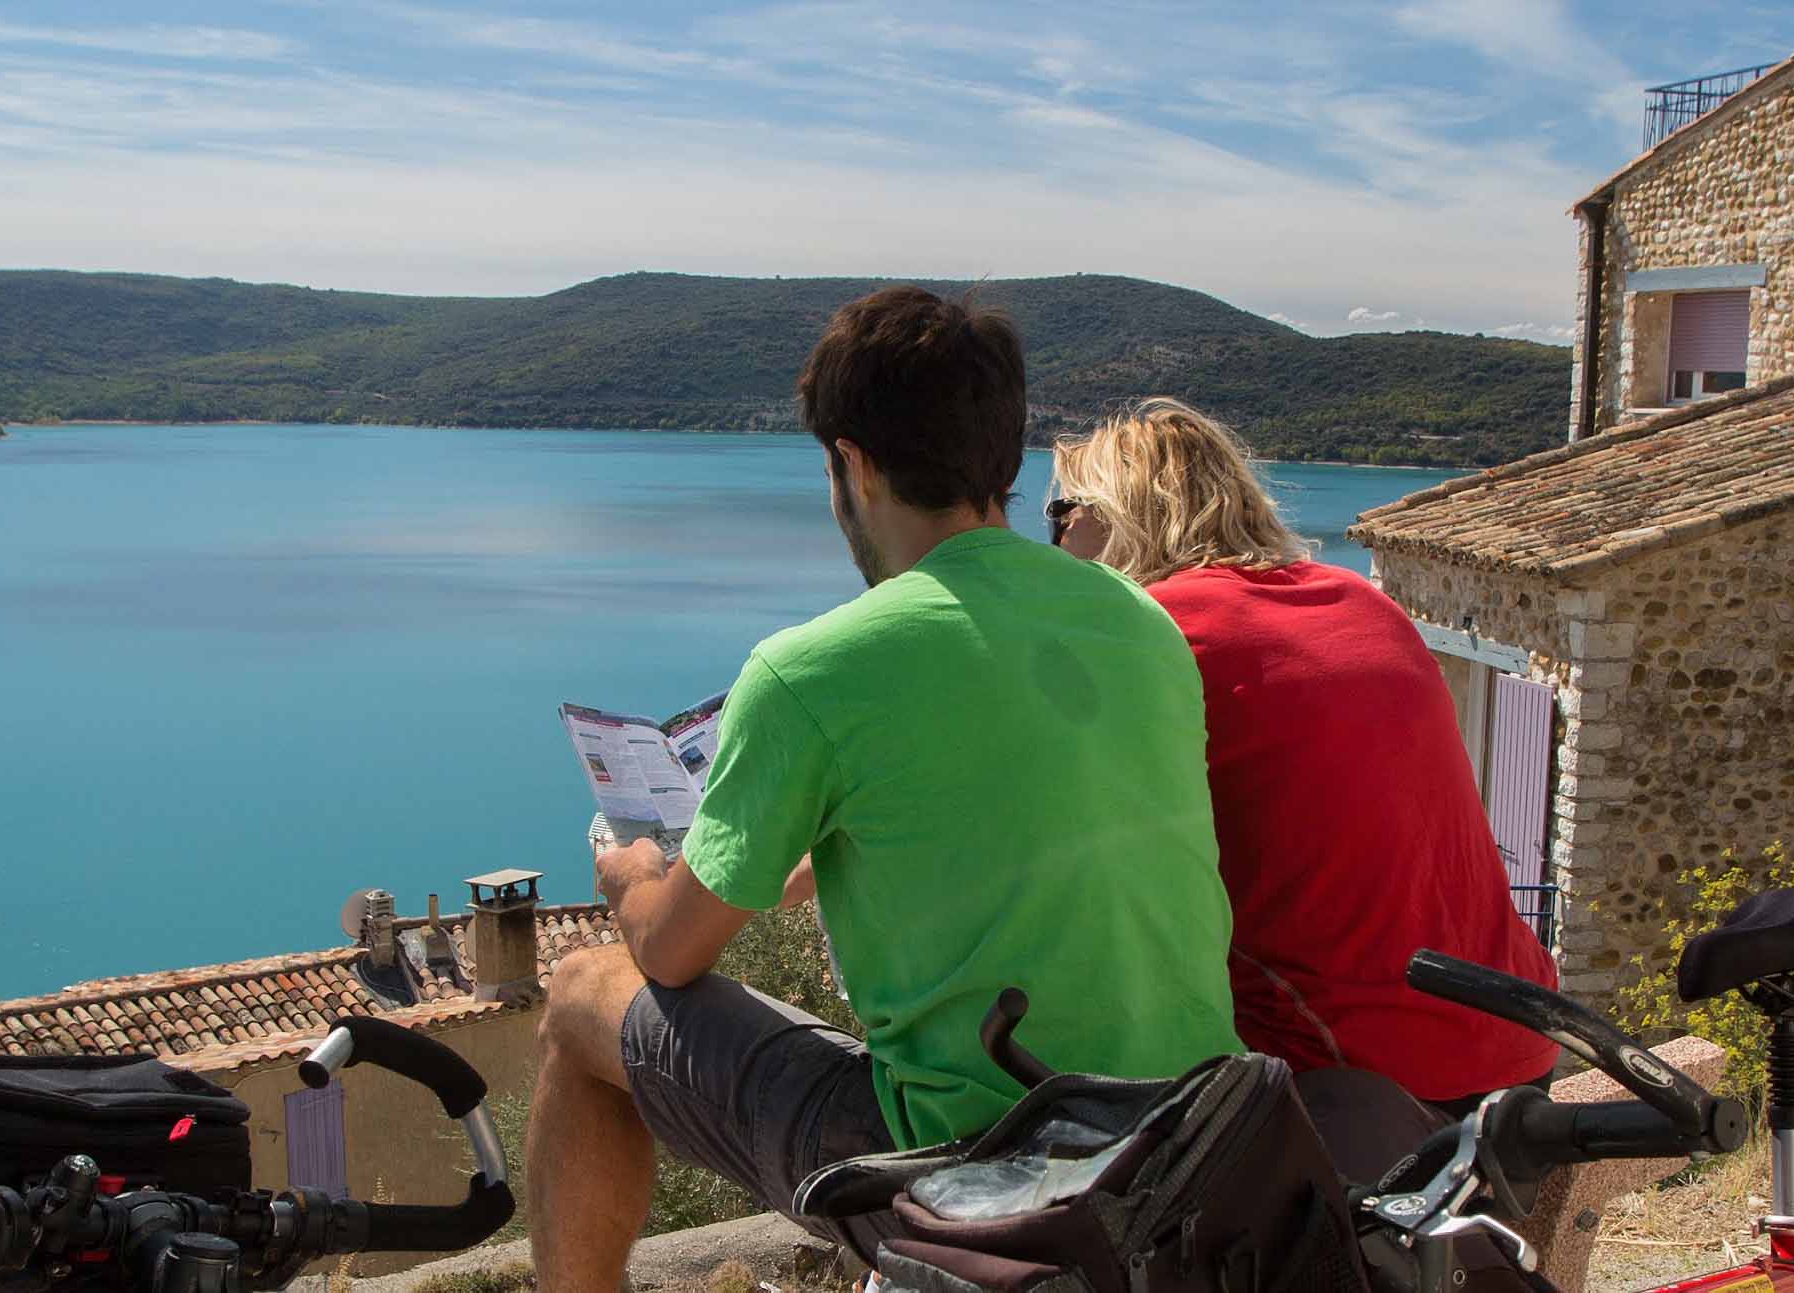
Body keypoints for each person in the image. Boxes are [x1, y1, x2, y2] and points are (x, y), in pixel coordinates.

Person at [527, 290, 1241, 1293]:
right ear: (1000, 453)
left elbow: (673, 951)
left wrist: (634, 877)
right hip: (1183, 1136)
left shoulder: (811, 669)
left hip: (975, 1168)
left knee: (578, 995)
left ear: (851, 465)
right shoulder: (1136, 622)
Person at [1048, 398, 1558, 1108]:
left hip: (1354, 1073)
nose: (1059, 537)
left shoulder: (1159, 631)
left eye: (1062, 512)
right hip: (1517, 1034)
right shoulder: (1359, 602)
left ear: (1115, 512)